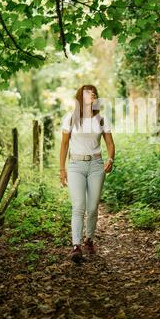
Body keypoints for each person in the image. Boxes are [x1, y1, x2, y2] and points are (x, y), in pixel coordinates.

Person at [59, 84, 115, 262]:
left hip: (96, 166)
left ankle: (89, 239)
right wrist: (62, 169)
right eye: (88, 93)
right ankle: (76, 246)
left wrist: (110, 159)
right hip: (75, 165)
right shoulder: (70, 118)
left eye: (94, 93)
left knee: (92, 208)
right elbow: (64, 144)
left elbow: (110, 144)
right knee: (78, 206)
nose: (92, 95)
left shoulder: (102, 119)